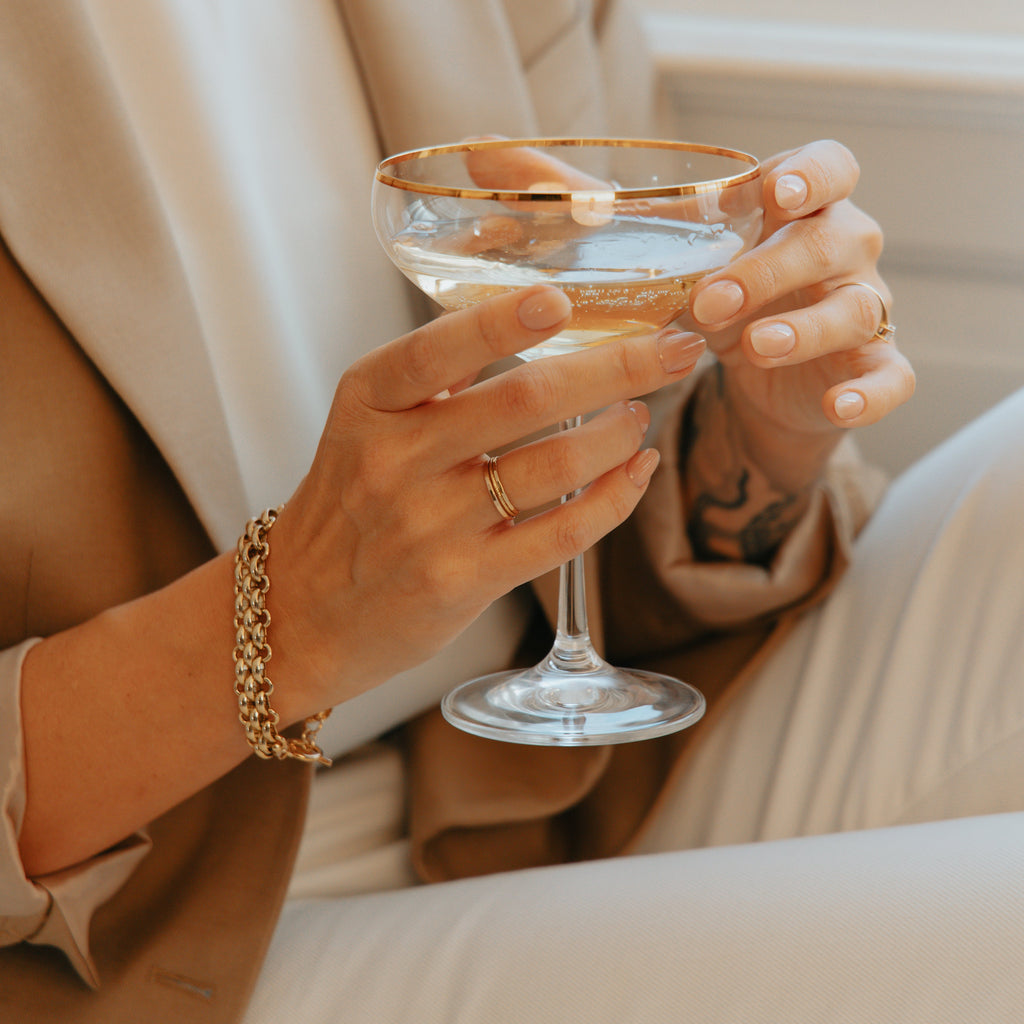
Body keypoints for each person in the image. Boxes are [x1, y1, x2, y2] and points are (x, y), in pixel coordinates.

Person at [2, 1, 1023, 1021]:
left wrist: (753, 437)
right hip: (159, 935)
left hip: (547, 788)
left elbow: (602, 332)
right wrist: (288, 621)